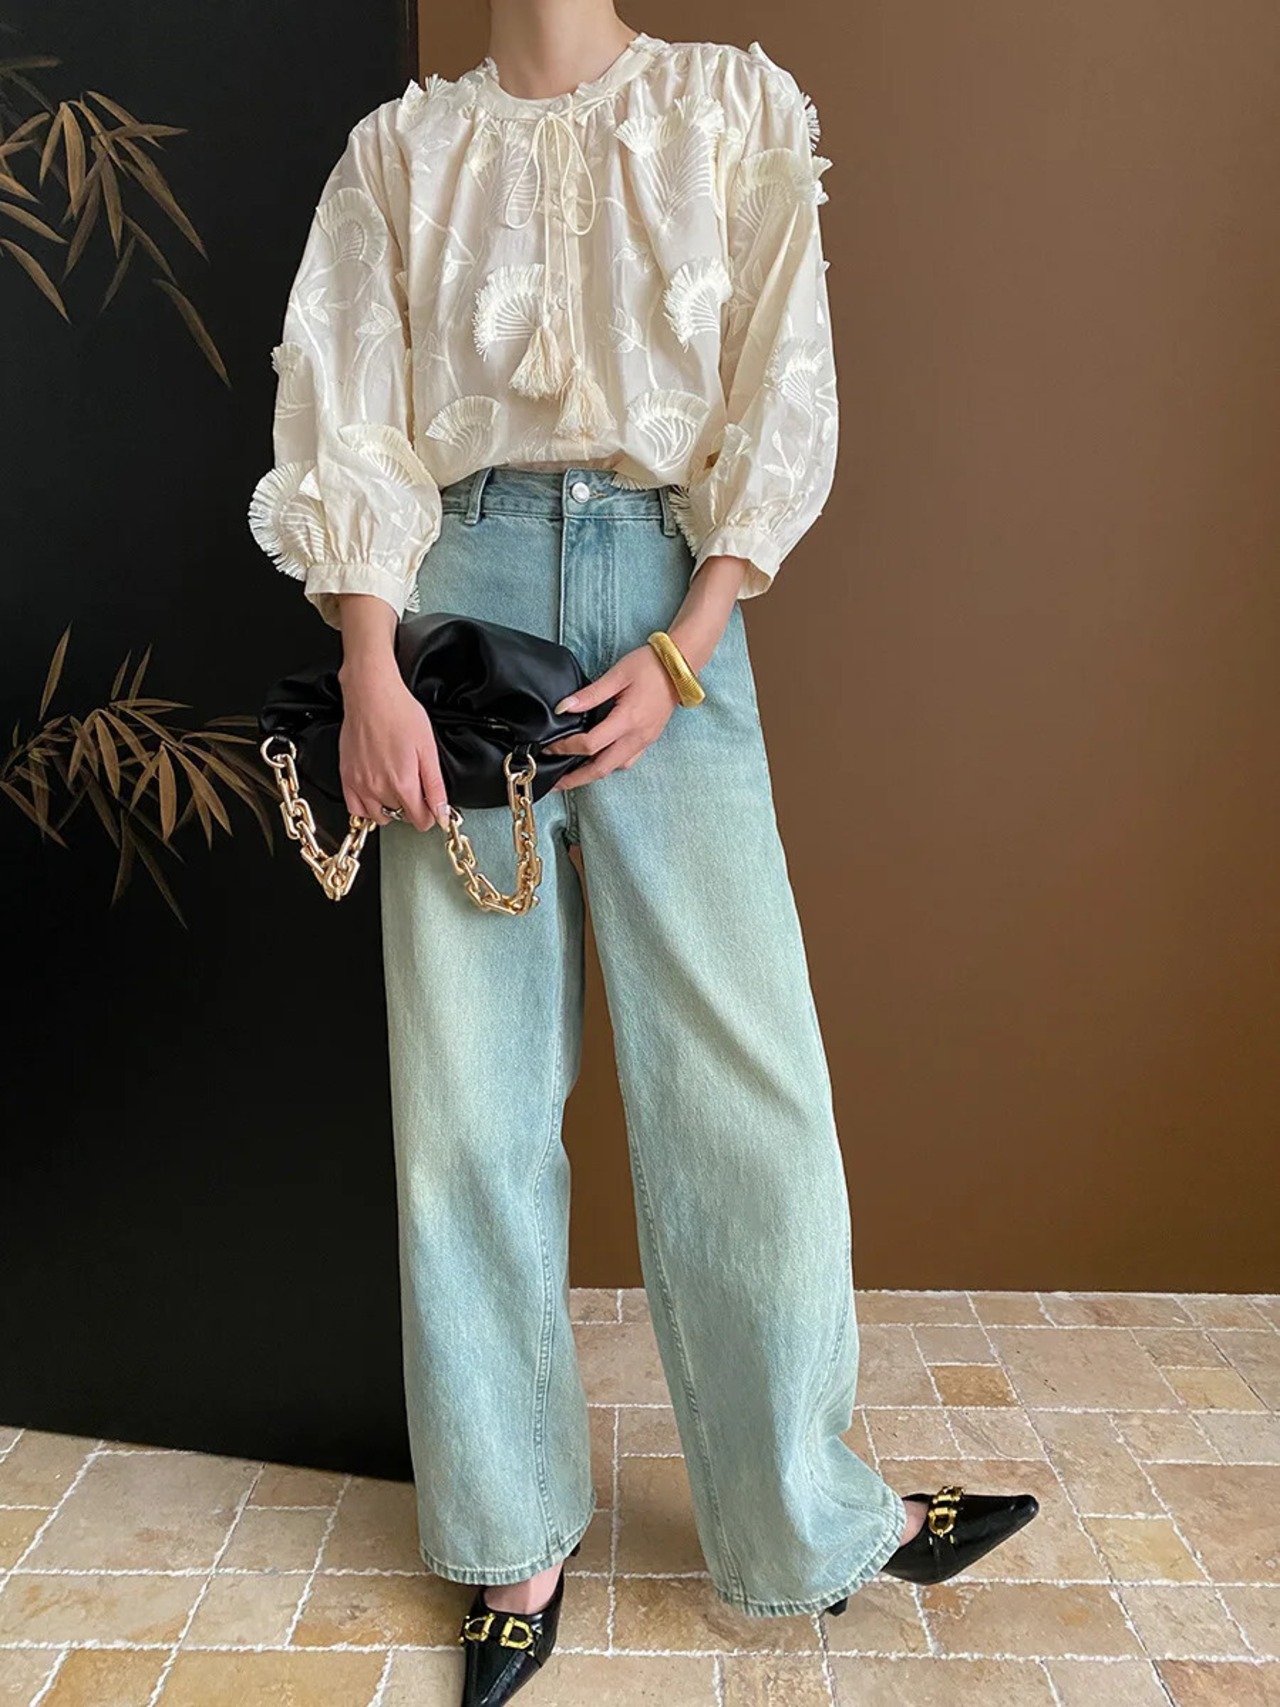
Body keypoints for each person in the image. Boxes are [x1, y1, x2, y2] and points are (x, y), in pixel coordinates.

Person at [247, 5, 1040, 1703]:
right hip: (454, 621)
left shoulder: (732, 109)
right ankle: (508, 1532)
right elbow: (348, 409)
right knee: (467, 1105)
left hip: (666, 603)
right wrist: (371, 666)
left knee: (751, 1088)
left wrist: (692, 641)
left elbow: (781, 376)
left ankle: (806, 1514)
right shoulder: (400, 153)